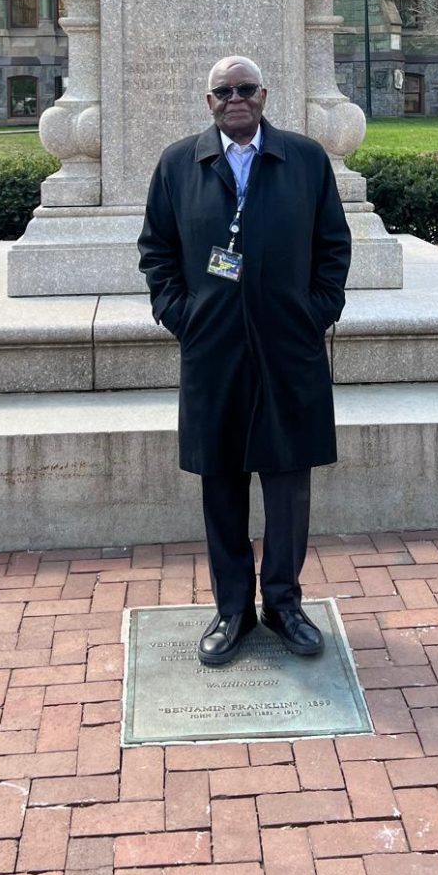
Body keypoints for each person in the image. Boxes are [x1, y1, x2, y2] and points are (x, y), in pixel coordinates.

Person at [138, 56, 352, 666]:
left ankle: (284, 603)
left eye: (247, 89)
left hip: (289, 348)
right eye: (224, 91)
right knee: (222, 483)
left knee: (289, 485)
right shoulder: (180, 163)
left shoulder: (304, 158)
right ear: (209, 102)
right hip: (215, 351)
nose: (236, 98)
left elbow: (333, 246)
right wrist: (182, 315)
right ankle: (233, 609)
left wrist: (315, 313)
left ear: (264, 95)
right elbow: (157, 250)